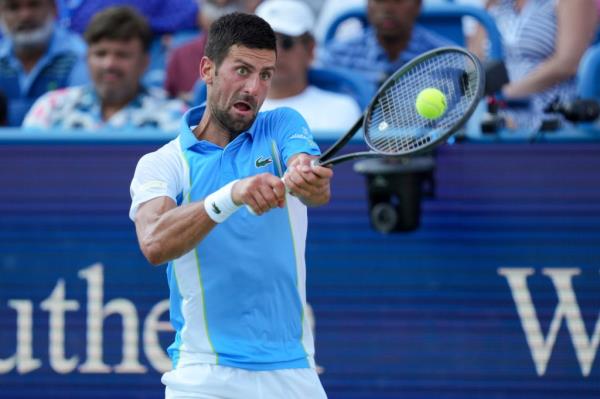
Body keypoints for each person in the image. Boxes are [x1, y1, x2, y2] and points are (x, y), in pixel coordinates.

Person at [129, 12, 332, 398]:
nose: (254, 88)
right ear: (207, 69)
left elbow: (313, 189)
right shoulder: (162, 164)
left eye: (265, 75)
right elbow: (154, 242)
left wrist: (306, 177)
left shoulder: (282, 125)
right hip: (204, 375)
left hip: (293, 371)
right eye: (242, 70)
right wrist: (231, 195)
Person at [22, 6, 187, 132]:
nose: (109, 64)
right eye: (100, 54)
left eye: (122, 55)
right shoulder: (50, 108)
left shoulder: (175, 116)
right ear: (86, 58)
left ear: (144, 62)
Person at [472, 0, 596, 130]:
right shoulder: (494, 4)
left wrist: (505, 94)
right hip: (494, 112)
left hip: (550, 113)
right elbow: (472, 61)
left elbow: (568, 64)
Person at [256, 0, 362, 134]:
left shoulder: (342, 110)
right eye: (265, 42)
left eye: (286, 42)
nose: (275, 52)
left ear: (310, 49)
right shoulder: (231, 109)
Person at [317, 0, 451, 92]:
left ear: (418, 5)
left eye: (398, 0)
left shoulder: (446, 58)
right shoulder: (337, 56)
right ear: (368, 5)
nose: (388, 9)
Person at [0, 0, 88, 126]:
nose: (25, 15)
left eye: (34, 5)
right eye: (13, 8)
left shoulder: (80, 56)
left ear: (54, 9)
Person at [165, 0, 261, 101]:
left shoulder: (258, 55)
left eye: (230, 3)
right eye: (213, 4)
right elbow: (169, 100)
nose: (221, 12)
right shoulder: (180, 54)